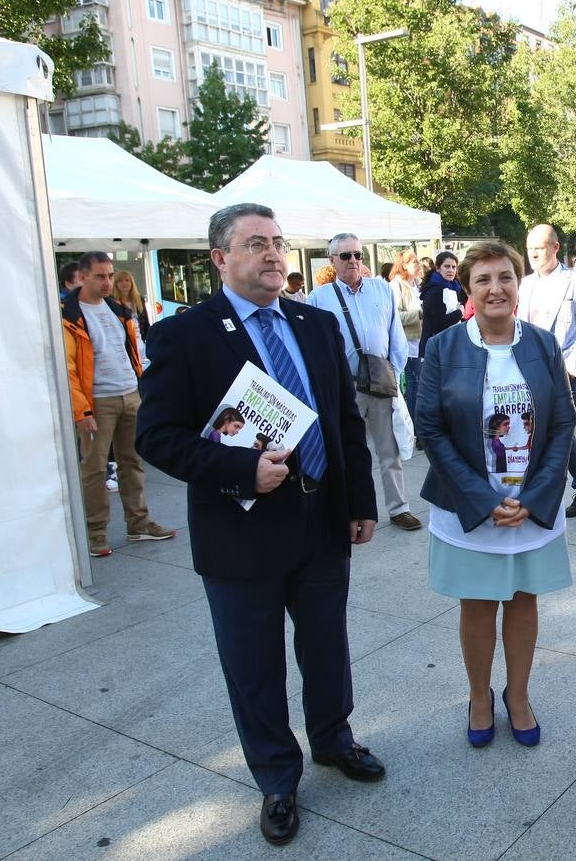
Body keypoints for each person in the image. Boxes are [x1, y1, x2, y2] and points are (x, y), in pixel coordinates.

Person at [136, 204, 384, 847]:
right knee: (255, 665)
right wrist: (240, 470)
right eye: (255, 244)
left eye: (278, 243)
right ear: (220, 259)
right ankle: (277, 777)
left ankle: (334, 740)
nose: (274, 254)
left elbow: (344, 421)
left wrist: (360, 501)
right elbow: (156, 437)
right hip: (241, 532)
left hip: (322, 519)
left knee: (327, 646)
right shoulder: (186, 334)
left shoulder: (317, 323)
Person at [416, 240, 576, 749]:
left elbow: (562, 423)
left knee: (524, 600)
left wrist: (538, 493)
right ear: (467, 287)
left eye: (505, 276)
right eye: (483, 279)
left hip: (530, 501)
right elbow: (431, 428)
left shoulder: (543, 345)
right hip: (472, 505)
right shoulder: (443, 347)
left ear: (519, 282)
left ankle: (520, 695)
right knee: (479, 605)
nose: (495, 288)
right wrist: (483, 500)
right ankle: (480, 696)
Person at [62, 252, 174, 557]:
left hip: (129, 393)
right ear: (82, 276)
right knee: (95, 468)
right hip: (97, 399)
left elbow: (131, 352)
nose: (108, 281)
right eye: (100, 276)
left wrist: (141, 387)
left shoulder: (118, 309)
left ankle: (138, 522)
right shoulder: (69, 314)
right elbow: (68, 368)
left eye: (110, 275)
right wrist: (81, 410)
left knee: (132, 461)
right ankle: (95, 530)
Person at [308, 233, 422, 531]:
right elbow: (315, 348)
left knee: (390, 449)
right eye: (345, 256)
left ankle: (399, 508)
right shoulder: (319, 297)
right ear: (332, 261)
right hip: (344, 388)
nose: (353, 261)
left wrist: (394, 376)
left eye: (358, 255)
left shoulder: (381, 289)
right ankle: (350, 509)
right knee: (347, 450)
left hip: (381, 382)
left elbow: (396, 335)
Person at [519, 224, 576, 518]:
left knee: (556, 428)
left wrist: (573, 366)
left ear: (555, 248)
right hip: (532, 368)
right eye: (529, 249)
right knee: (553, 430)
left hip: (566, 369)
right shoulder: (526, 284)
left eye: (539, 247)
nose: (534, 254)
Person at [387, 251, 424, 427]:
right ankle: (415, 427)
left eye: (418, 261)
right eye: (414, 262)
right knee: (415, 385)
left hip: (423, 340)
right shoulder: (396, 285)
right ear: (403, 265)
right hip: (408, 343)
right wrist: (419, 314)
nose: (418, 265)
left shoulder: (419, 284)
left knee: (422, 385)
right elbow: (395, 316)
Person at [419, 250, 464, 358]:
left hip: (449, 344)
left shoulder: (454, 287)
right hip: (436, 347)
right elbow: (438, 323)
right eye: (447, 266)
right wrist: (459, 312)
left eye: (454, 267)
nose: (451, 270)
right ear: (438, 268)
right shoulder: (435, 290)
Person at [111, 270, 150, 342]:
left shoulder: (139, 299)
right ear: (115, 284)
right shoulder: (112, 302)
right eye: (120, 281)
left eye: (127, 280)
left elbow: (146, 322)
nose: (124, 283)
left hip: (140, 341)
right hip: (124, 342)